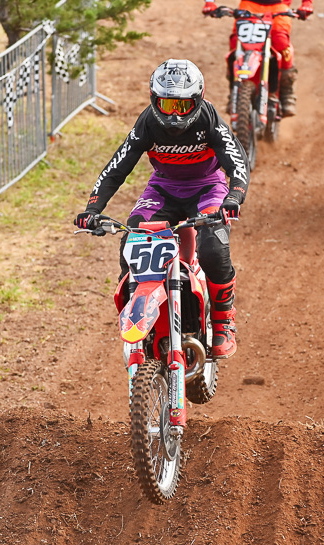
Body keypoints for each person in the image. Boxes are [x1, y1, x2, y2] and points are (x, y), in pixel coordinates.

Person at [75, 59, 250, 359]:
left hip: (207, 187)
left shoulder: (209, 119)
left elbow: (237, 160)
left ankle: (224, 319)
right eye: (166, 104)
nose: (173, 114)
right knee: (133, 235)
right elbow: (118, 165)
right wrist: (93, 208)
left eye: (182, 106)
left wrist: (233, 197)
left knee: (213, 248)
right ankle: (136, 305)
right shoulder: (148, 123)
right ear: (154, 100)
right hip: (163, 188)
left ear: (197, 101)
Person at [203, 0, 314, 116]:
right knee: (236, 44)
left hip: (278, 7)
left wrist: (307, 3)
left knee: (281, 43)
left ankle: (287, 91)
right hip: (249, 5)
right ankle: (234, 93)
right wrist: (210, 3)